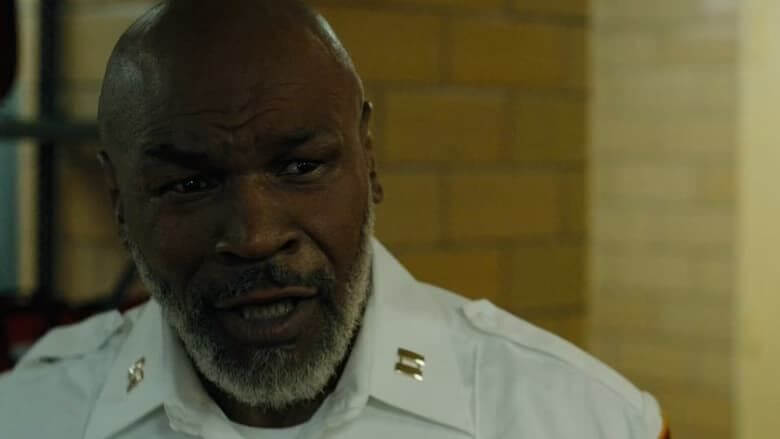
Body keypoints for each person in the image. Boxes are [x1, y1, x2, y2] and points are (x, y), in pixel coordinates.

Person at [0, 1, 670, 438]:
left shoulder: (584, 419)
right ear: (120, 204)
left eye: (299, 167)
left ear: (368, 159)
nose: (256, 235)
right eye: (191, 184)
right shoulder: (29, 415)